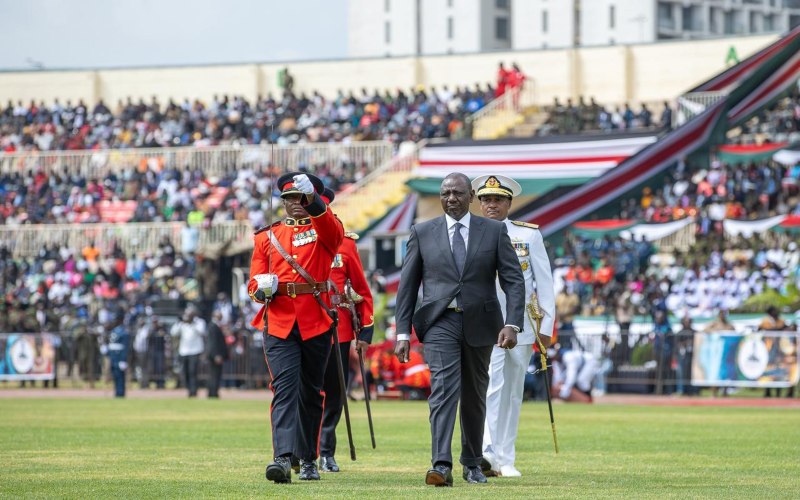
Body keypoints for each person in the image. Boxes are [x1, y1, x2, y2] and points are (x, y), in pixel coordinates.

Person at [394, 172, 525, 487]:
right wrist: (402, 333)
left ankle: (472, 463)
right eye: (445, 193)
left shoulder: (493, 231)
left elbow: (513, 279)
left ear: (471, 197)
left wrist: (512, 323)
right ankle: (440, 465)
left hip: (482, 324)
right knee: (442, 390)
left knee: (474, 395)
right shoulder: (422, 232)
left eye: (457, 193)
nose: (450, 198)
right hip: (439, 322)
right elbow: (408, 286)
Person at [248, 172, 343, 484]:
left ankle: (308, 459)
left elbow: (331, 229)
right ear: (284, 203)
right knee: (285, 388)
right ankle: (282, 457)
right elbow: (253, 280)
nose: (296, 204)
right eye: (290, 198)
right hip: (278, 320)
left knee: (311, 393)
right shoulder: (267, 236)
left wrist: (314, 201)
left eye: (302, 197)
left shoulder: (324, 229)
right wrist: (259, 290)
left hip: (314, 320)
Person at [471, 174, 555, 478]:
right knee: (489, 387)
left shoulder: (528, 235)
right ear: (479, 203)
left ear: (509, 203)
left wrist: (547, 324)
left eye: (498, 200)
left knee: (513, 393)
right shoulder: (470, 233)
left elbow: (543, 283)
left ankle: (506, 457)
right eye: (486, 199)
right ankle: (488, 453)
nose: (492, 205)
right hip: (484, 323)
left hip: (521, 325)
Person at [318, 188, 375, 473]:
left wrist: (365, 332)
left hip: (336, 330)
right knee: (305, 392)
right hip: (301, 329)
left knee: (335, 393)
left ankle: (326, 451)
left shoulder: (346, 244)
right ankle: (299, 450)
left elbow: (362, 291)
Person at [170, 305, 206, 398]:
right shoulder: (183, 324)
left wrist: (192, 323)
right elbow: (173, 332)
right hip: (184, 351)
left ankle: (194, 391)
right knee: (185, 372)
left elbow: (202, 331)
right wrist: (180, 322)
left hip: (195, 350)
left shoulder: (199, 322)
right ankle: (189, 389)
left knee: (193, 371)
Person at [103, 315, 129, 398]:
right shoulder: (113, 331)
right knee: (115, 375)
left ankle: (120, 392)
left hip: (119, 356)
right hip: (113, 356)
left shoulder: (123, 332)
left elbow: (125, 347)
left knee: (120, 376)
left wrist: (123, 360)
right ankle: (117, 392)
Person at [206, 310, 229, 399]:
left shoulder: (215, 325)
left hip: (215, 354)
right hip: (215, 355)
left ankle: (213, 391)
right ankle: (213, 392)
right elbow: (213, 342)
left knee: (215, 374)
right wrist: (216, 355)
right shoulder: (213, 326)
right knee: (214, 374)